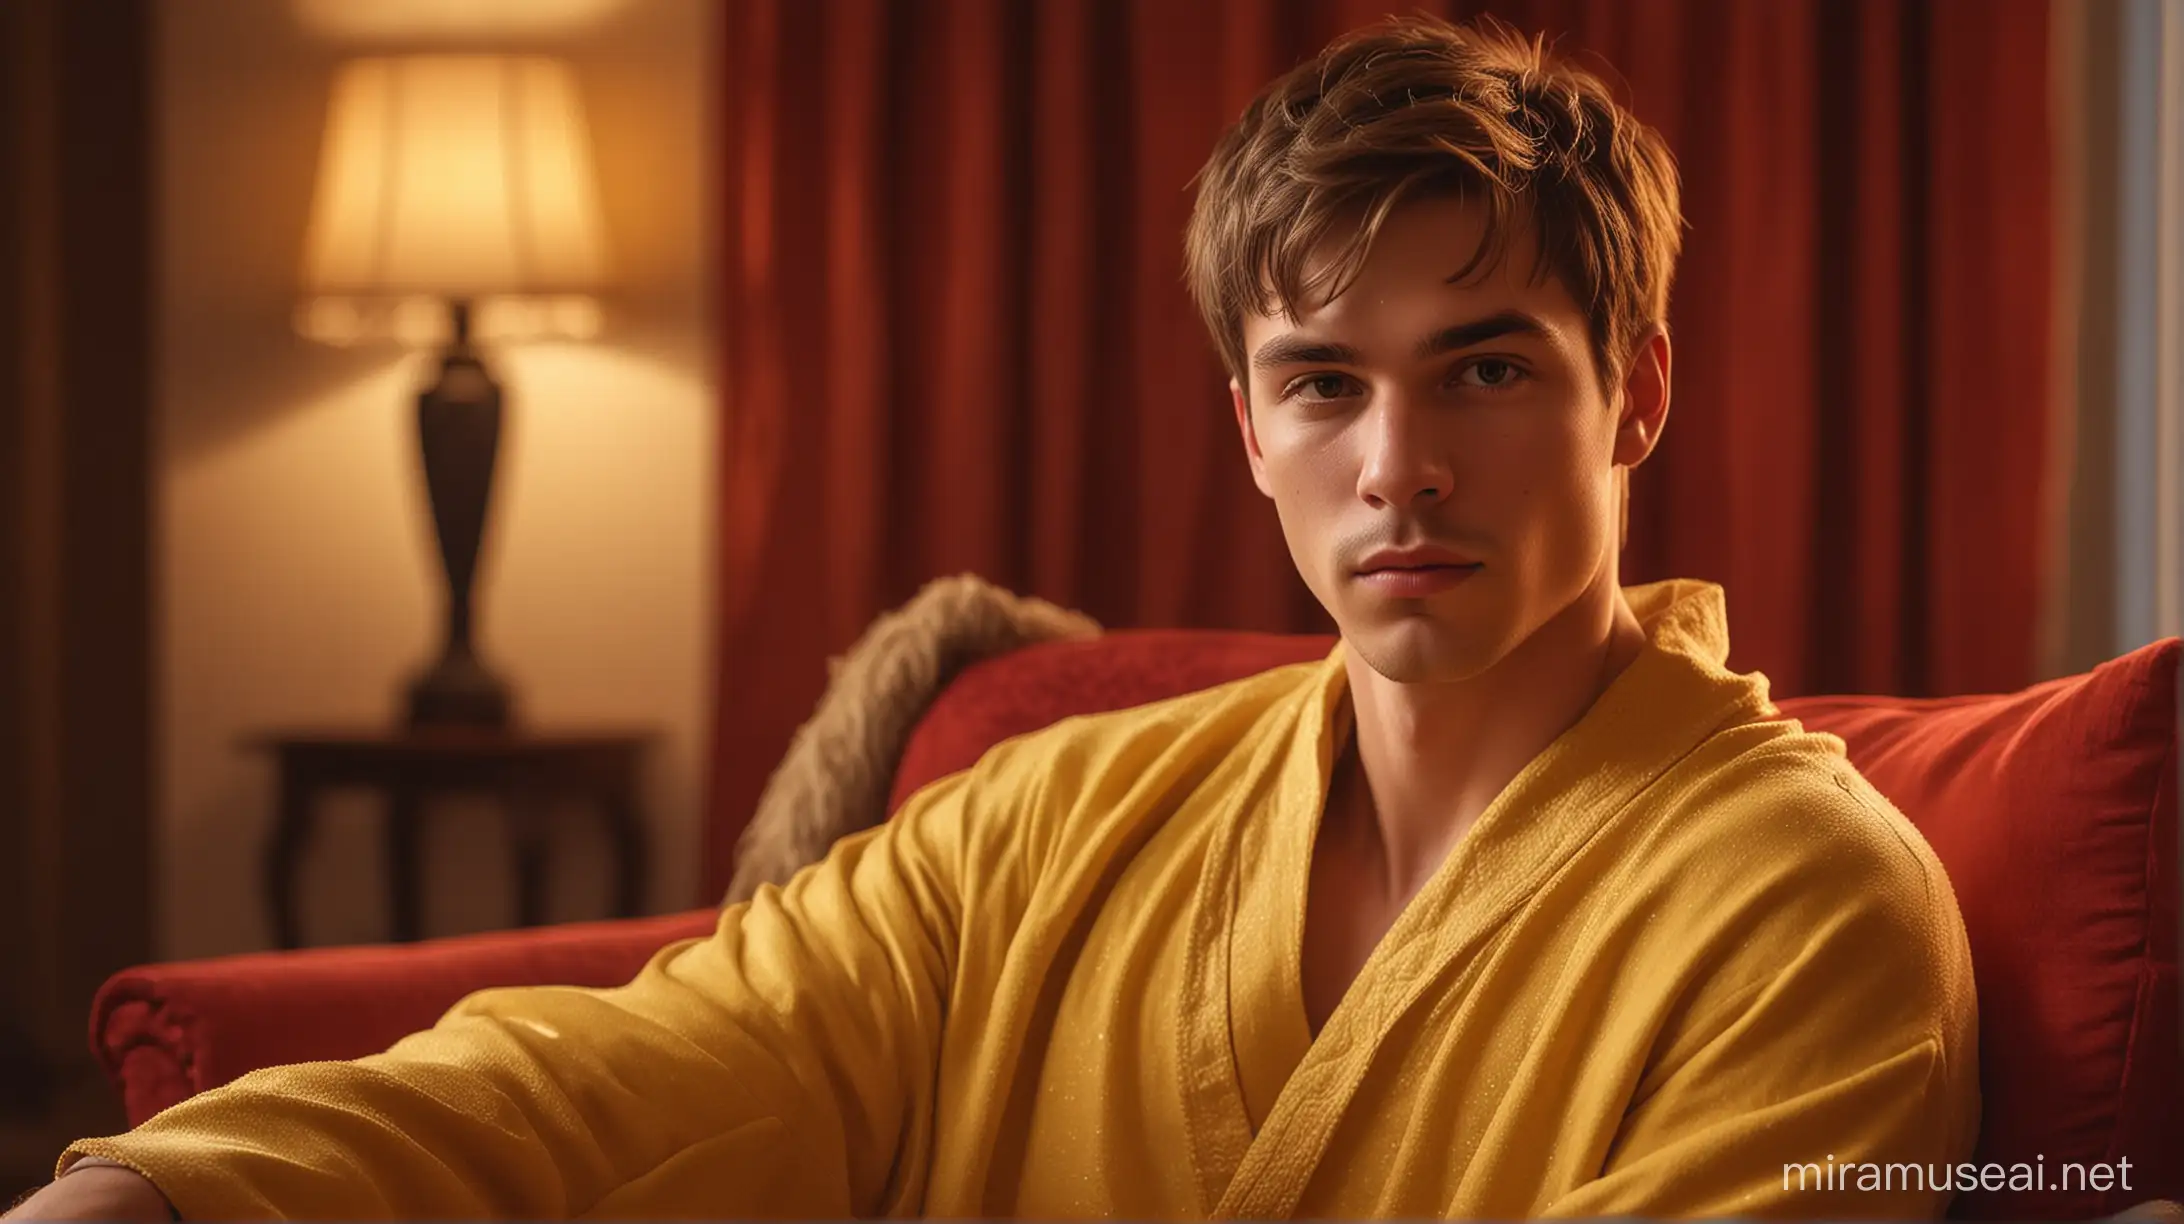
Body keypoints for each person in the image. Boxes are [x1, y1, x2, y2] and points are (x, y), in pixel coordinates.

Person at [10, 13, 1977, 1221]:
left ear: (1634, 391)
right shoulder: (1058, 817)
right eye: (1322, 382)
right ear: (1246, 427)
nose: (1397, 466)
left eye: (1483, 370)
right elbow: (657, 1066)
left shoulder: (1805, 907)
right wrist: (165, 1192)